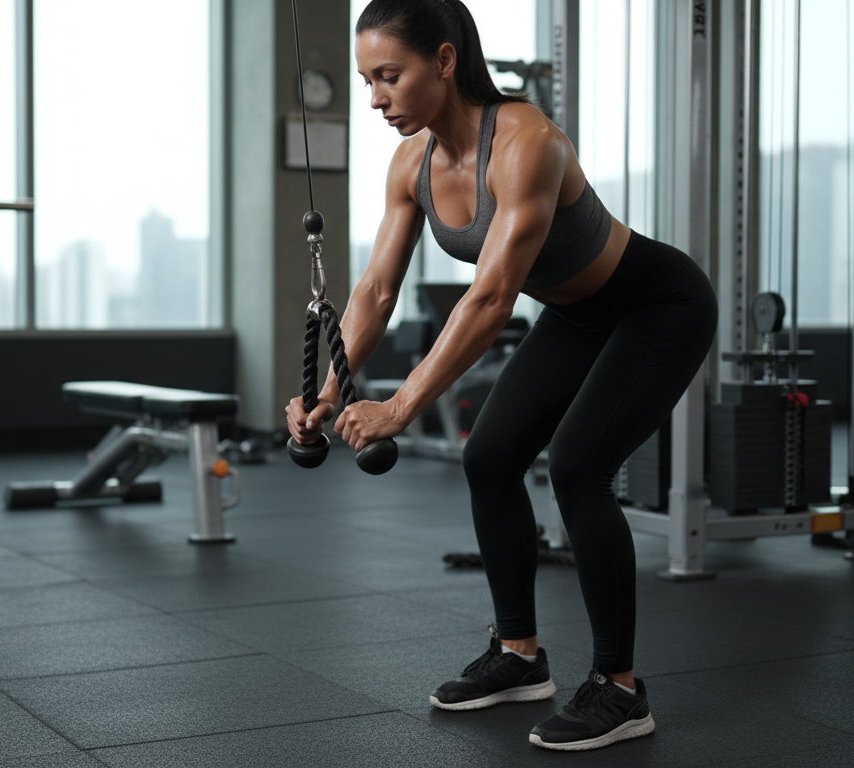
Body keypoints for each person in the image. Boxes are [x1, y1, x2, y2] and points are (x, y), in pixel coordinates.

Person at [285, 0, 718, 753]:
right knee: (489, 457)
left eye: (389, 76)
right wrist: (331, 394)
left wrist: (404, 406)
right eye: (368, 81)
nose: (376, 98)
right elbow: (376, 291)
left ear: (445, 60)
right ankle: (519, 656)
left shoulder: (527, 142)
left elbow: (490, 298)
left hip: (657, 306)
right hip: (579, 315)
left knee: (580, 466)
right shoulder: (412, 164)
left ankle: (621, 689)